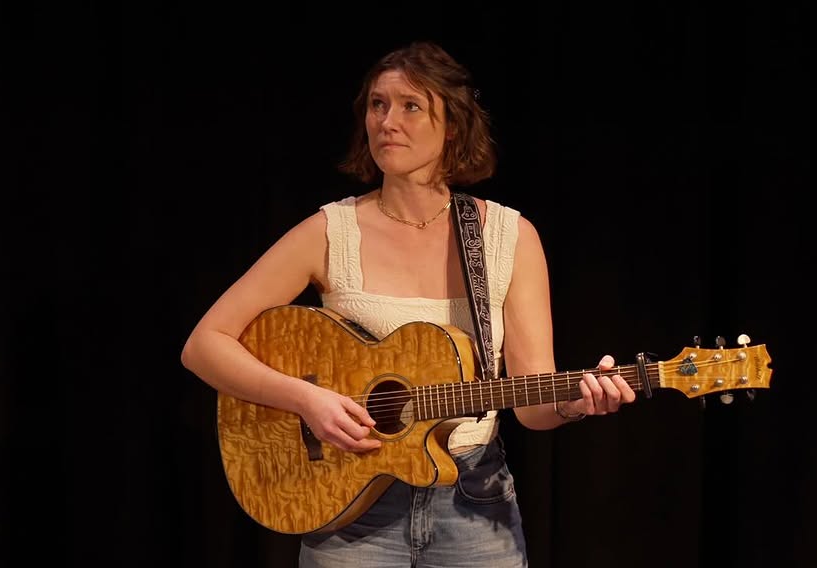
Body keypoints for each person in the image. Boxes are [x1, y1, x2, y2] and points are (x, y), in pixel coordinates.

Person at [180, 40, 636, 568]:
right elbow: (204, 345)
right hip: (348, 503)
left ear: (454, 126)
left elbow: (532, 401)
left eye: (410, 106)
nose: (387, 121)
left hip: (473, 502)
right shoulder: (331, 231)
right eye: (378, 104)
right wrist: (306, 401)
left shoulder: (508, 236)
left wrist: (574, 402)